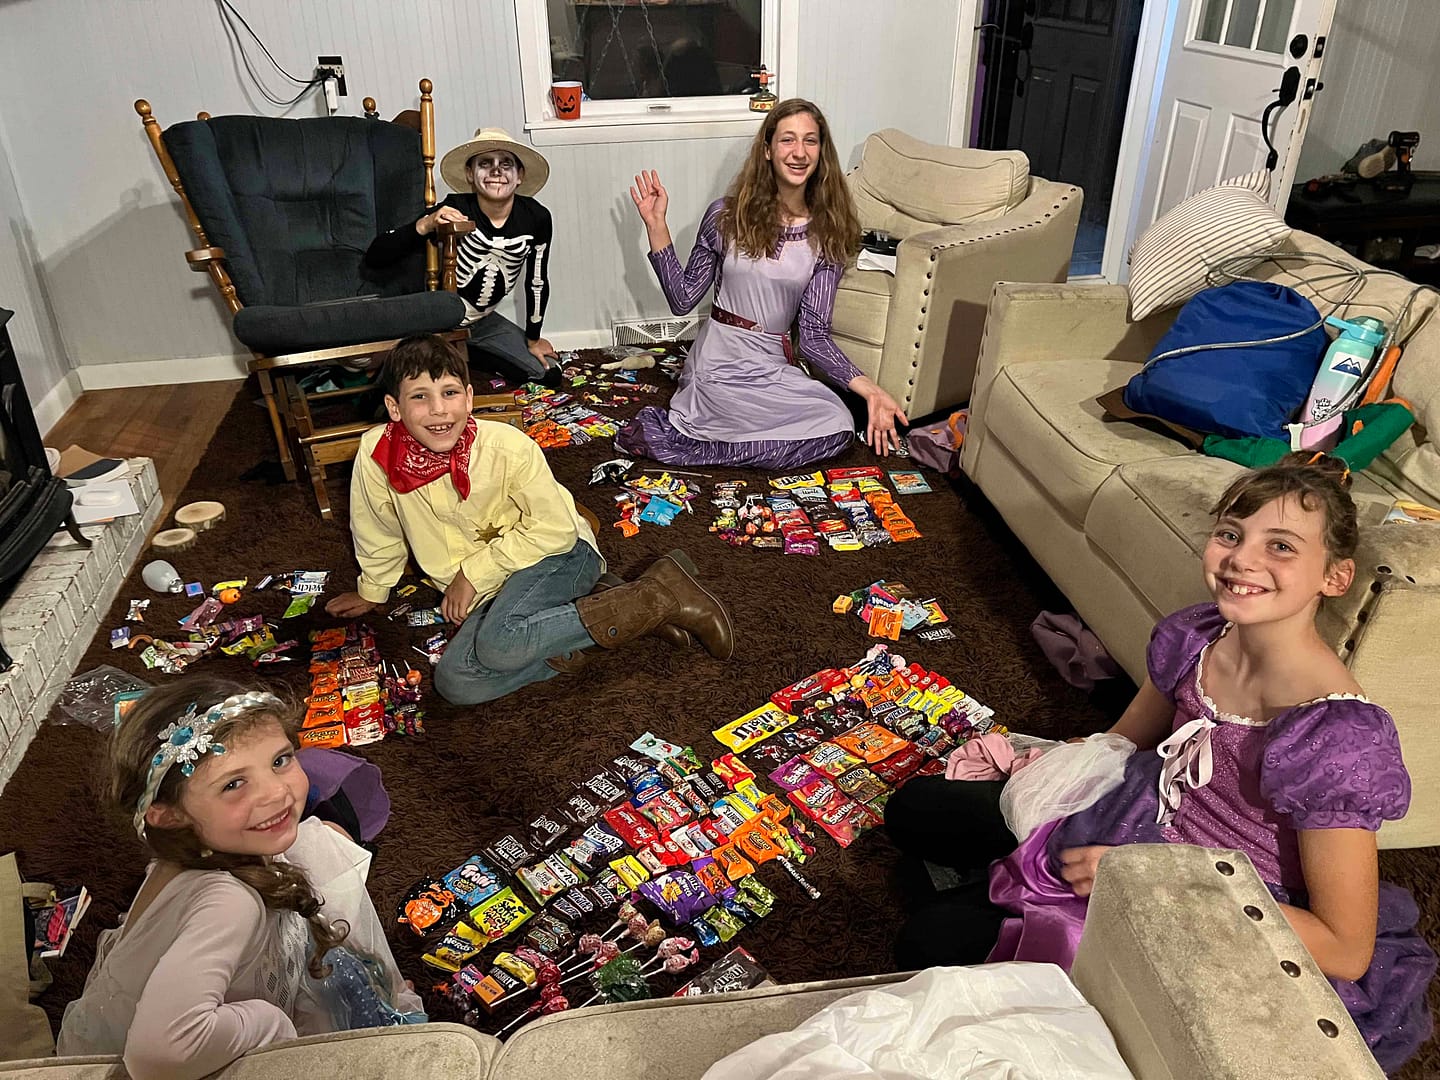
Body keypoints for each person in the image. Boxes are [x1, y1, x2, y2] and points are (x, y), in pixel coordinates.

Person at [884, 453, 1436, 1073]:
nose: (1241, 560)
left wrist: (1142, 879)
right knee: (913, 808)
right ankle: (1011, 891)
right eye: (1230, 534)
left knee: (928, 940)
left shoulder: (1334, 736)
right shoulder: (1201, 634)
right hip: (1129, 817)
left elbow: (1345, 948)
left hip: (1213, 896)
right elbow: (1126, 742)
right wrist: (1050, 770)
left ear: (1335, 578)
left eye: (1280, 546)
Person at [325, 335, 733, 705]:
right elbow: (377, 526)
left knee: (500, 647)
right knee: (457, 682)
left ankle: (659, 595)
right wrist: (374, 590)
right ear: (394, 408)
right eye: (419, 397)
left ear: (468, 398)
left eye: (449, 393)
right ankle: (622, 610)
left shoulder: (508, 446)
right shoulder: (375, 453)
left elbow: (554, 530)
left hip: (557, 552)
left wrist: (472, 574)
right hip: (493, 589)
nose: (438, 410)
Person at [57, 679, 424, 1078]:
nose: (277, 794)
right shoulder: (229, 904)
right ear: (167, 814)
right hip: (182, 1051)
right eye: (234, 784)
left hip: (176, 996)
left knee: (324, 840)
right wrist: (273, 1025)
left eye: (281, 760)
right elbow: (159, 1053)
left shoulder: (182, 855)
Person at [616, 98, 907, 470]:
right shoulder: (726, 215)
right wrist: (657, 226)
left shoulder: (827, 233)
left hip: (771, 365)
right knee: (713, 416)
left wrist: (870, 389)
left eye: (810, 141)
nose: (799, 152)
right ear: (767, 149)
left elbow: (814, 335)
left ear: (822, 152)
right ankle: (709, 436)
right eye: (787, 140)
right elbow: (682, 299)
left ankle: (729, 440)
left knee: (837, 422)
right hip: (718, 359)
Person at [365, 127, 562, 387]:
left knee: (548, 372)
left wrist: (533, 338)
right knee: (402, 386)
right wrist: (426, 224)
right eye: (485, 164)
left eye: (506, 164)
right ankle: (432, 352)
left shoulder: (537, 217)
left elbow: (537, 281)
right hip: (436, 322)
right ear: (470, 174)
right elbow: (376, 256)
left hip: (483, 320)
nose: (496, 171)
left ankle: (468, 353)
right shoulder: (455, 208)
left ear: (519, 176)